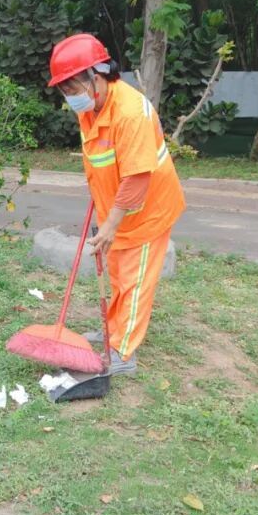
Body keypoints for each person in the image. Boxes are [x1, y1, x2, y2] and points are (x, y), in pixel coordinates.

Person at [47, 33, 185, 375]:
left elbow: (137, 177)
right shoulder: (91, 109)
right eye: (64, 91)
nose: (70, 98)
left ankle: (124, 353)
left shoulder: (130, 113)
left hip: (148, 211)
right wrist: (99, 194)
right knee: (120, 277)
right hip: (118, 209)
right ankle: (113, 332)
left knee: (135, 282)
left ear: (97, 77)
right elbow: (101, 157)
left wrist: (109, 225)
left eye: (72, 88)